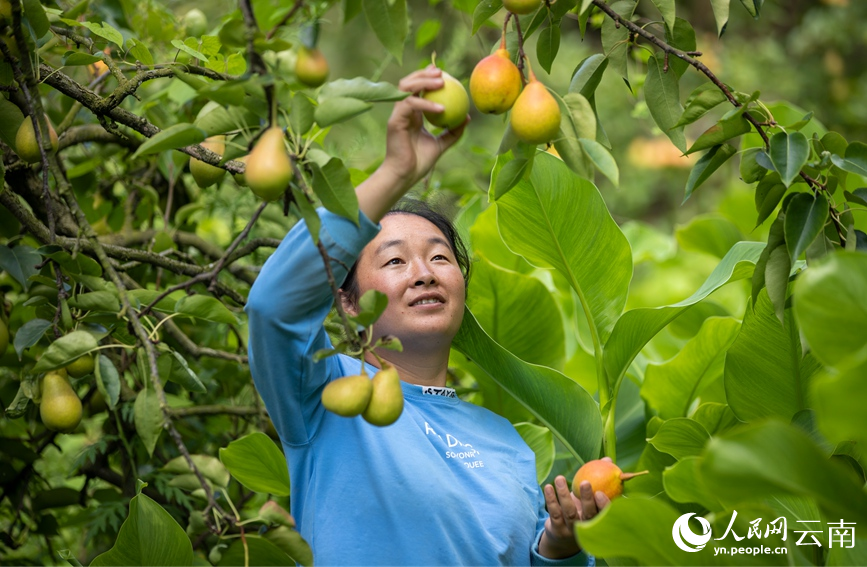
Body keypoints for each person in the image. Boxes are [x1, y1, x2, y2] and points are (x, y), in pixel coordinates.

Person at [246, 65, 609, 566]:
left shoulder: (506, 443)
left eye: (440, 257)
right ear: (348, 301)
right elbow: (272, 307)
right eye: (394, 260)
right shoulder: (325, 398)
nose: (423, 273)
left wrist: (561, 547)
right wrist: (397, 171)